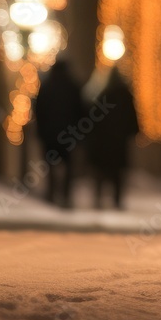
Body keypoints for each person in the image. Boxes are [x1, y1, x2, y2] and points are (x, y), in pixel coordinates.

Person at [81, 64, 140, 209]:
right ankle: (117, 200)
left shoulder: (103, 95)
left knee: (101, 171)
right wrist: (133, 132)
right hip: (119, 142)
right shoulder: (125, 96)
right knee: (117, 173)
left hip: (104, 143)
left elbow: (93, 120)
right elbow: (132, 118)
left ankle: (98, 198)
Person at [32, 53, 85, 208]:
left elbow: (39, 110)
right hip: (69, 134)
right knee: (68, 165)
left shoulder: (47, 85)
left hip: (49, 134)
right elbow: (80, 111)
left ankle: (51, 192)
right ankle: (66, 195)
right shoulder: (73, 86)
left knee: (50, 164)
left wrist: (40, 130)